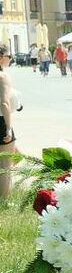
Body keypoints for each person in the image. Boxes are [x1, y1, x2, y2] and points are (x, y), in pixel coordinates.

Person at [0, 45, 15, 199]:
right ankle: (4, 201)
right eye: (8, 56)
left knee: (18, 154)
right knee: (6, 164)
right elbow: (4, 103)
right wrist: (8, 128)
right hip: (1, 121)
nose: (10, 59)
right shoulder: (3, 76)